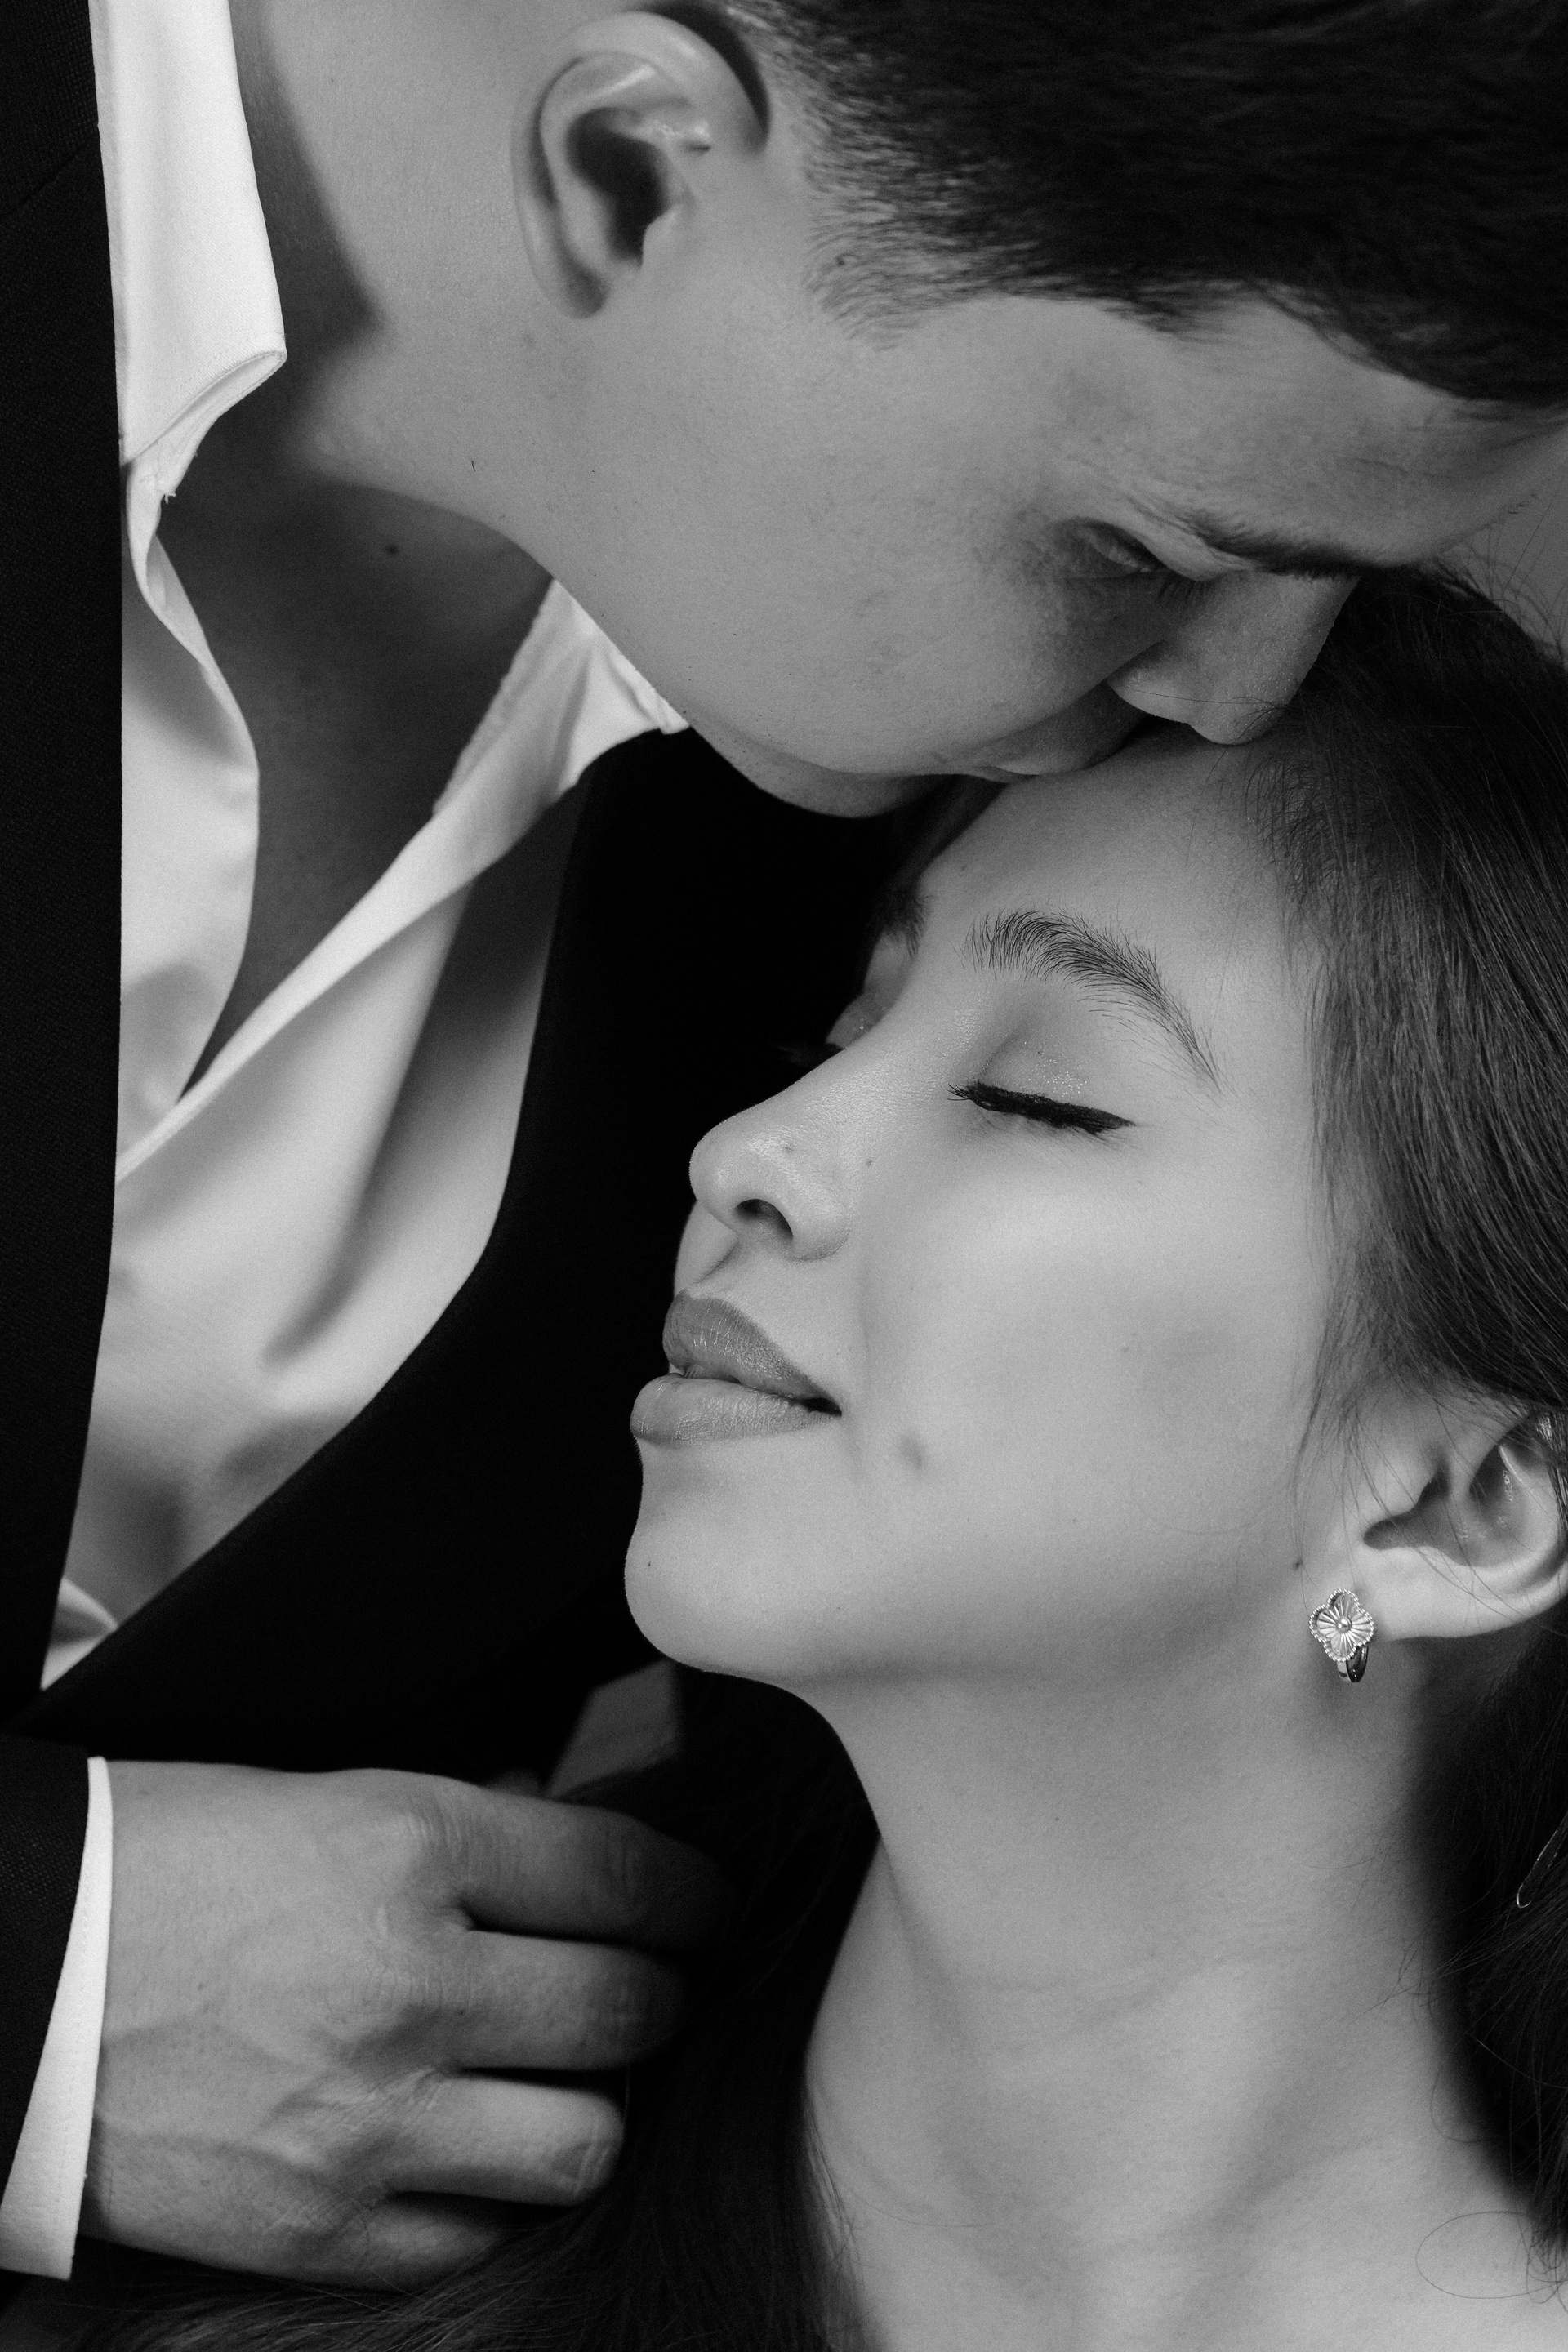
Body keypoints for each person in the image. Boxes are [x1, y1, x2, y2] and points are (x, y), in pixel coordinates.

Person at [3, 0, 1567, 2296]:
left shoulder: (862, 792)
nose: (1239, 698)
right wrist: (49, 2001)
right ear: (633, 170)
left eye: (1024, 1092)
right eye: (1137, 547)